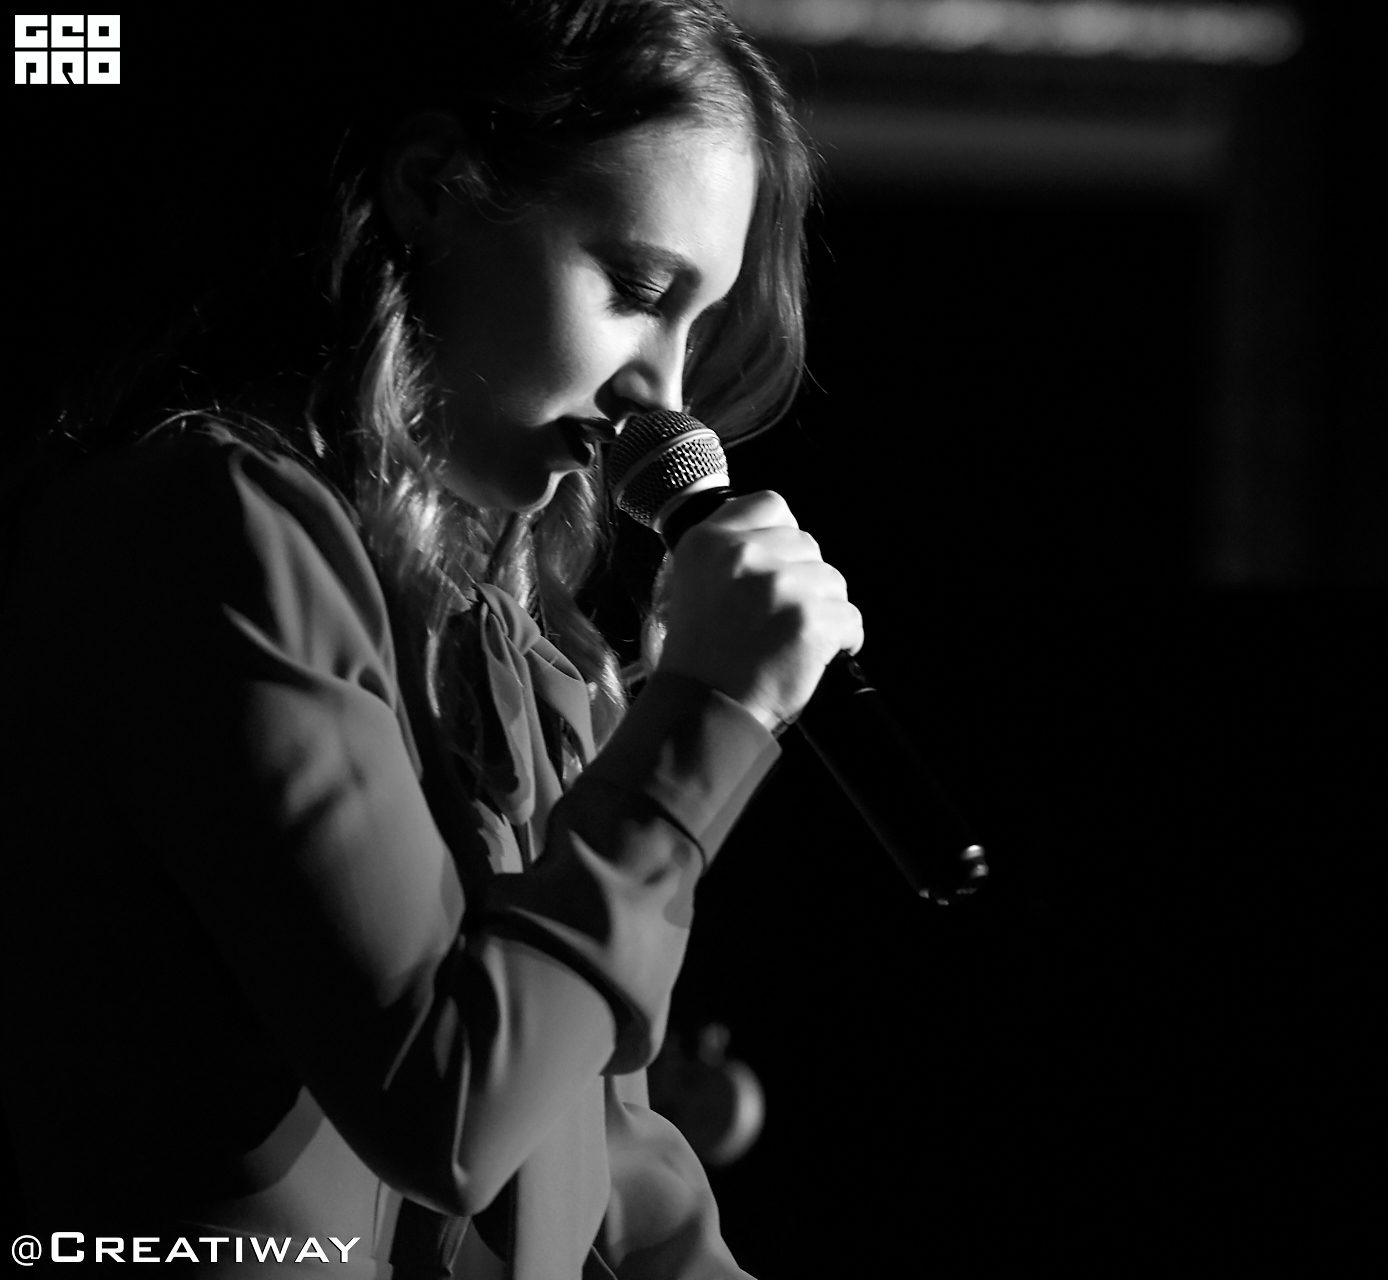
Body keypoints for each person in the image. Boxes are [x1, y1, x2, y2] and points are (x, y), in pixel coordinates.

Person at [0, 3, 859, 1275]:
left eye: (697, 325)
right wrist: (710, 716)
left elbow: (608, 1170)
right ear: (432, 187)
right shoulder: (204, 529)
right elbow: (447, 1105)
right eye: (636, 290)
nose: (665, 397)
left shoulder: (526, 648)